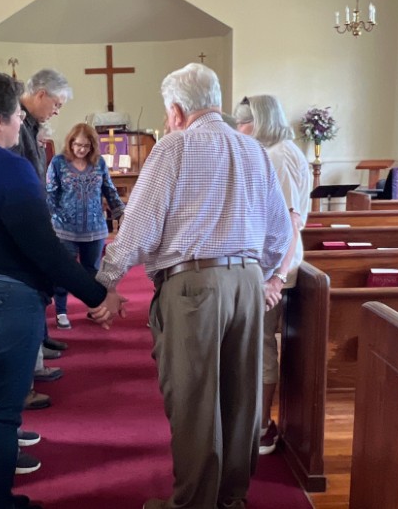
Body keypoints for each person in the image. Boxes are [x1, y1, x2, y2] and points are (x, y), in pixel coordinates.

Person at [0, 71, 123, 509]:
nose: (20, 124)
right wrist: (98, 294)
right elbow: (43, 248)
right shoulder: (8, 166)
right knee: (0, 414)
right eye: (15, 116)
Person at [95, 63, 291, 509]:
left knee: (194, 399)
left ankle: (194, 504)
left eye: (168, 113)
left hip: (194, 285)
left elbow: (139, 225)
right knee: (241, 398)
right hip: (247, 282)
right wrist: (263, 275)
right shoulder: (254, 150)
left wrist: (106, 281)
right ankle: (231, 498)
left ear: (177, 110)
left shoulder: (174, 147)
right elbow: (280, 231)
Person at [233, 94, 312, 455]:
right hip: (263, 267)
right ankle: (252, 417)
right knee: (253, 344)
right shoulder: (273, 151)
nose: (238, 129)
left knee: (261, 345)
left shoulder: (279, 155)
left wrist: (276, 278)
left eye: (243, 122)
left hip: (271, 271)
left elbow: (290, 222)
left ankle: (262, 424)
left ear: (261, 122)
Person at [15, 69, 72, 386]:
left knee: (38, 290)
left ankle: (39, 345)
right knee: (30, 293)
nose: (57, 111)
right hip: (25, 222)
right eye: (56, 104)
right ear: (40, 94)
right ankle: (31, 366)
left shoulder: (30, 125)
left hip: (35, 215)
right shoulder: (16, 123)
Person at [46, 123, 125, 329]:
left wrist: (121, 214)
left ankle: (94, 308)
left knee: (93, 272)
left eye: (86, 146)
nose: (81, 149)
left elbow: (109, 190)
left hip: (94, 229)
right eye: (78, 145)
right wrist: (47, 220)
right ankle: (61, 311)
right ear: (70, 143)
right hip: (65, 228)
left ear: (92, 146)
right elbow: (51, 194)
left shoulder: (99, 163)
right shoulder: (58, 163)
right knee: (64, 271)